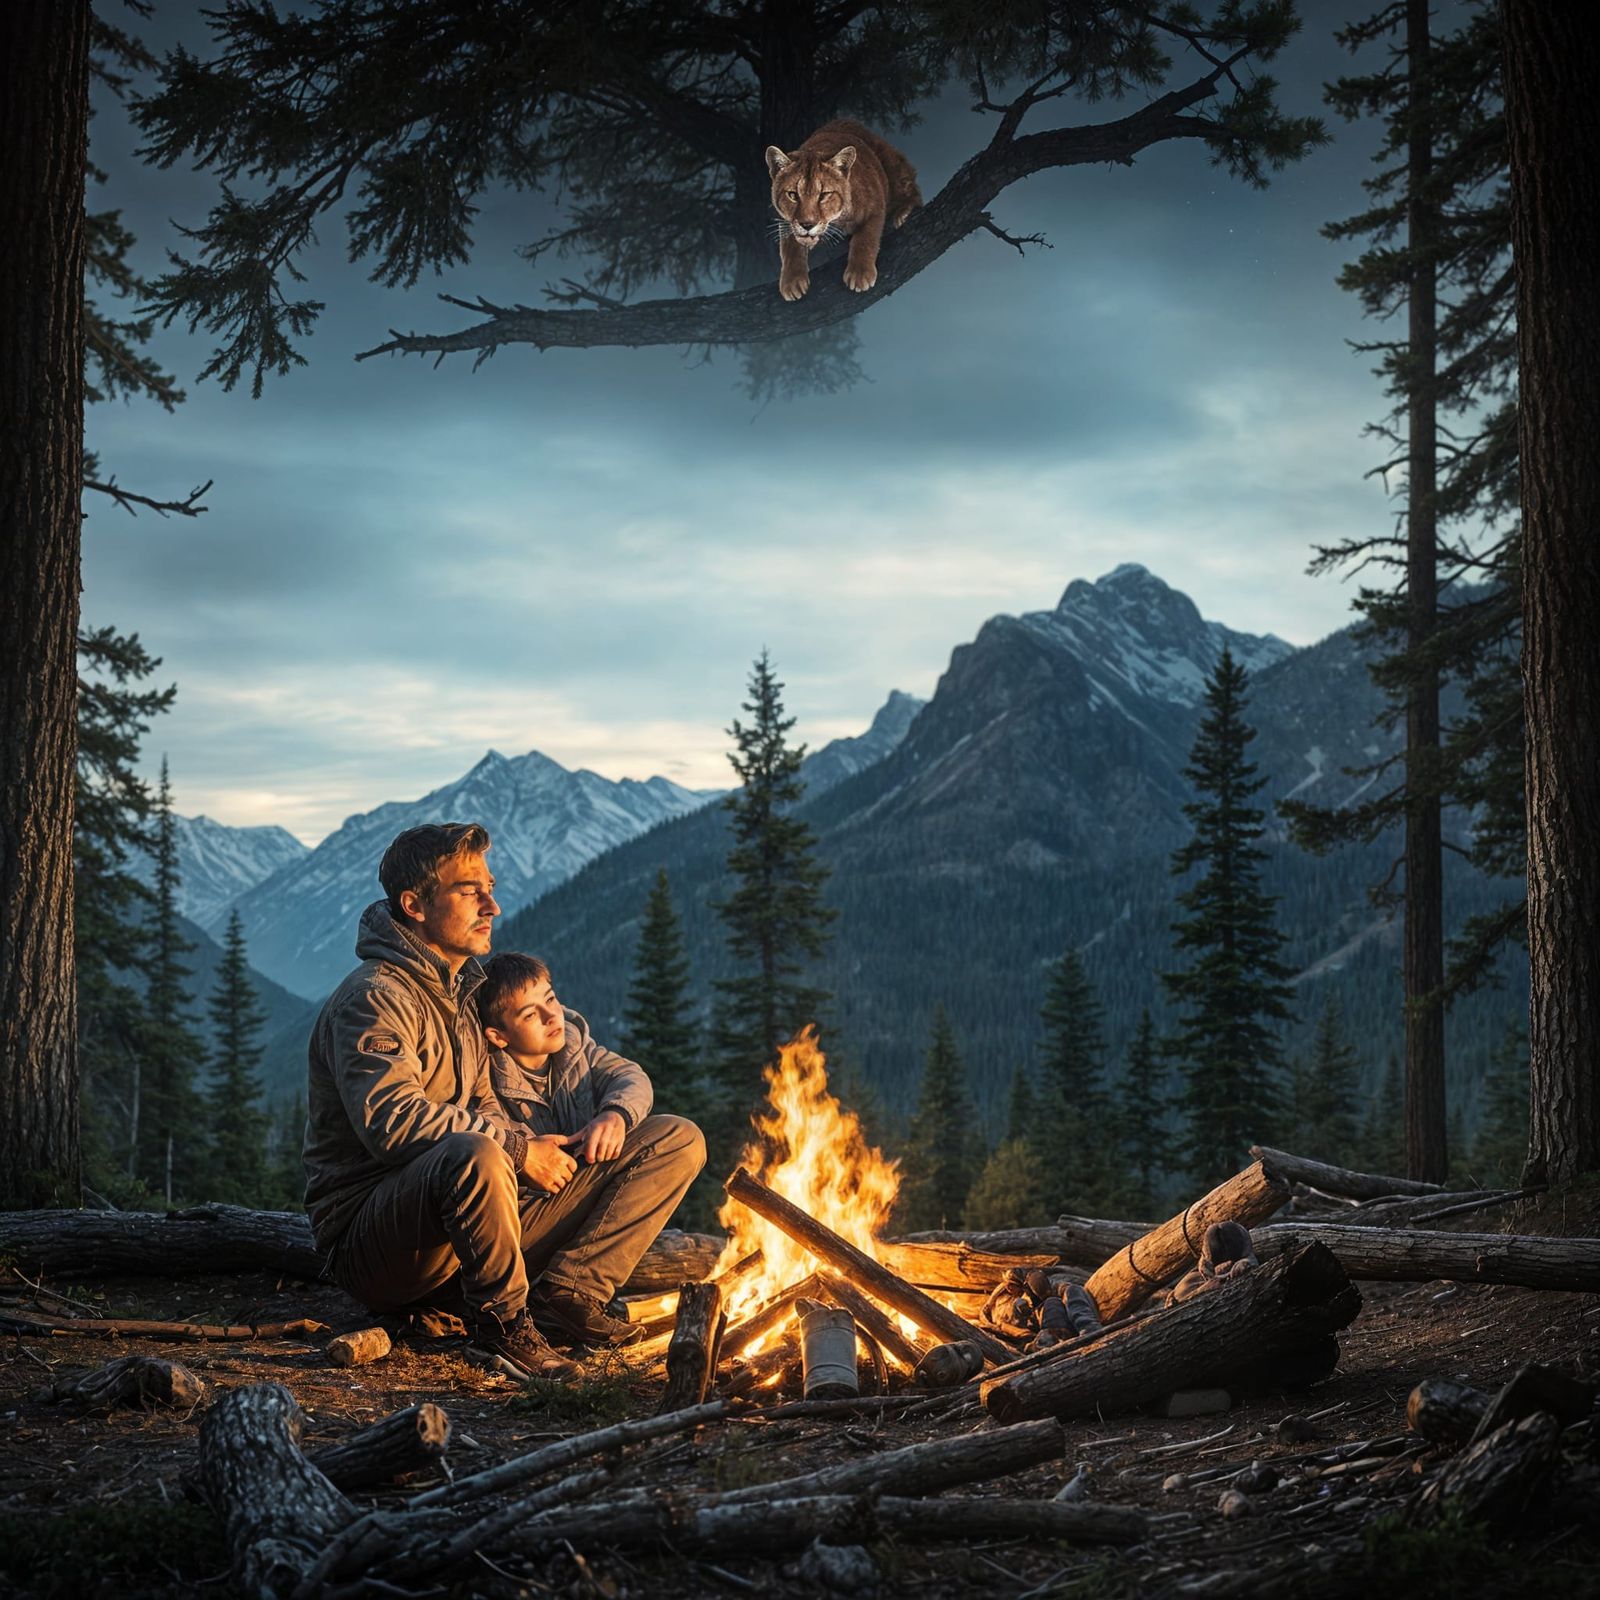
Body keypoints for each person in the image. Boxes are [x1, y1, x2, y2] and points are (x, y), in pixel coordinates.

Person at [302, 821, 580, 1378]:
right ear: (415, 905)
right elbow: (392, 1120)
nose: (492, 906)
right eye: (469, 890)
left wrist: (532, 1149)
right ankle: (501, 1329)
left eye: (490, 888)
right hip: (375, 1244)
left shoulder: (460, 994)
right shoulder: (376, 998)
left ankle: (569, 1300)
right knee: (475, 1152)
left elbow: (485, 1108)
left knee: (662, 1141)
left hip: (456, 1221)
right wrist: (520, 1153)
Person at [475, 950, 706, 1346]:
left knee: (679, 1137)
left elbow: (629, 1077)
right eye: (530, 1015)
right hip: (514, 1227)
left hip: (565, 1199)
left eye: (550, 999)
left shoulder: (574, 1049)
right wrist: (525, 1154)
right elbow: (481, 1149)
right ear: (498, 1035)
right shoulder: (483, 1079)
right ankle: (570, 1294)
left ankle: (571, 1289)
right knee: (676, 1137)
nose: (551, 1017)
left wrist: (615, 1115)